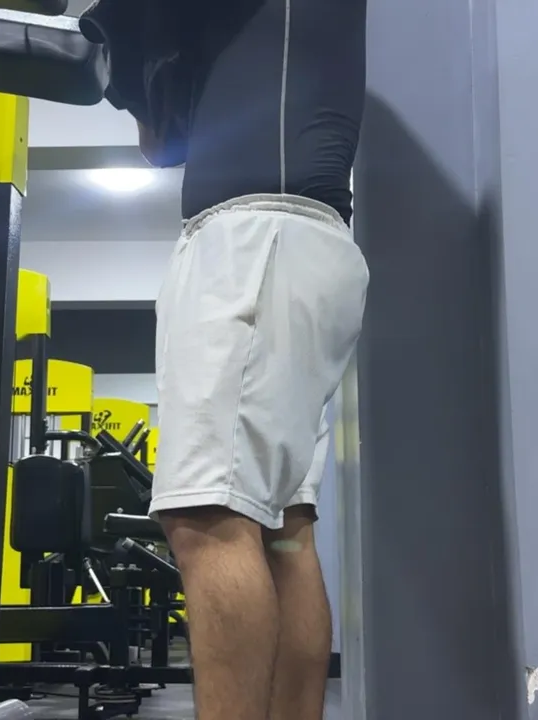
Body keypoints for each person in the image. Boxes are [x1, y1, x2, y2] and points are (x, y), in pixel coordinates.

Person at [82, 1, 369, 717]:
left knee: (207, 519)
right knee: (282, 532)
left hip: (254, 242)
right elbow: (160, 145)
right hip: (289, 246)